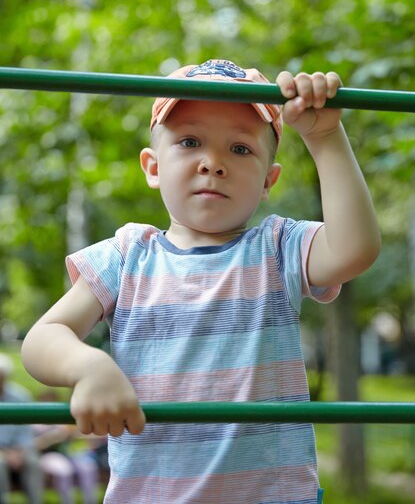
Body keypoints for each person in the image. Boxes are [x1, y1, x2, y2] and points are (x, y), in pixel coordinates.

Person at [21, 59, 380, 504]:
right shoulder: (126, 256)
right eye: (190, 142)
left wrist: (324, 138)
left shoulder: (277, 247)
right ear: (153, 168)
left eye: (240, 149)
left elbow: (355, 249)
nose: (213, 163)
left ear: (268, 181)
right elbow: (42, 339)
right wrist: (88, 367)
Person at [34, 390, 100, 504]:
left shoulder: (61, 422)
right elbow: (33, 445)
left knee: (87, 468)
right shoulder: (34, 424)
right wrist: (52, 438)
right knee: (64, 471)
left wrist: (71, 435)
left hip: (68, 454)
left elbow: (80, 437)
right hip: (47, 456)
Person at [0, 354, 43, 504]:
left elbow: (26, 430)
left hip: (19, 448)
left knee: (32, 462)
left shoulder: (20, 396)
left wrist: (19, 451)